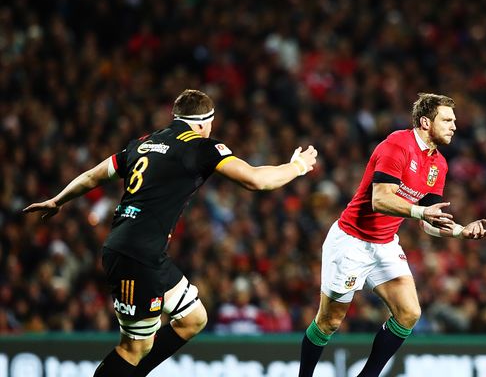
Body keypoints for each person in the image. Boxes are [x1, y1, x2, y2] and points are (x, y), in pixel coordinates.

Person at [23, 89, 318, 377]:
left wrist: (58, 199)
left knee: (193, 318)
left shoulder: (145, 142)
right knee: (133, 349)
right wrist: (298, 166)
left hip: (141, 250)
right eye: (211, 123)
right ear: (204, 123)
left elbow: (93, 176)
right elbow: (256, 180)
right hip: (136, 255)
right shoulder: (201, 146)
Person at [298, 93, 486, 377]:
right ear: (426, 122)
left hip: (385, 243)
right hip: (351, 240)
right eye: (447, 120)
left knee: (409, 313)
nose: (454, 126)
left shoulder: (438, 164)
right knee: (329, 321)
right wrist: (419, 212)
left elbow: (429, 219)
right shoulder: (397, 144)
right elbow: (380, 199)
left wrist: (461, 231)